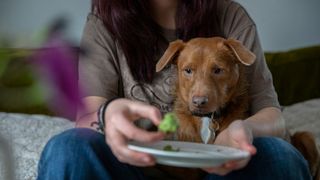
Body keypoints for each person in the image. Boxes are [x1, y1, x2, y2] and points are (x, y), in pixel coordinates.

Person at [37, 0, 312, 179]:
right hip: (137, 171)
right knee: (68, 147)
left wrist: (246, 130)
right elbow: (86, 119)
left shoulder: (230, 15)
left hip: (224, 173)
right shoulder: (104, 22)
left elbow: (273, 116)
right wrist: (108, 114)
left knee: (279, 155)